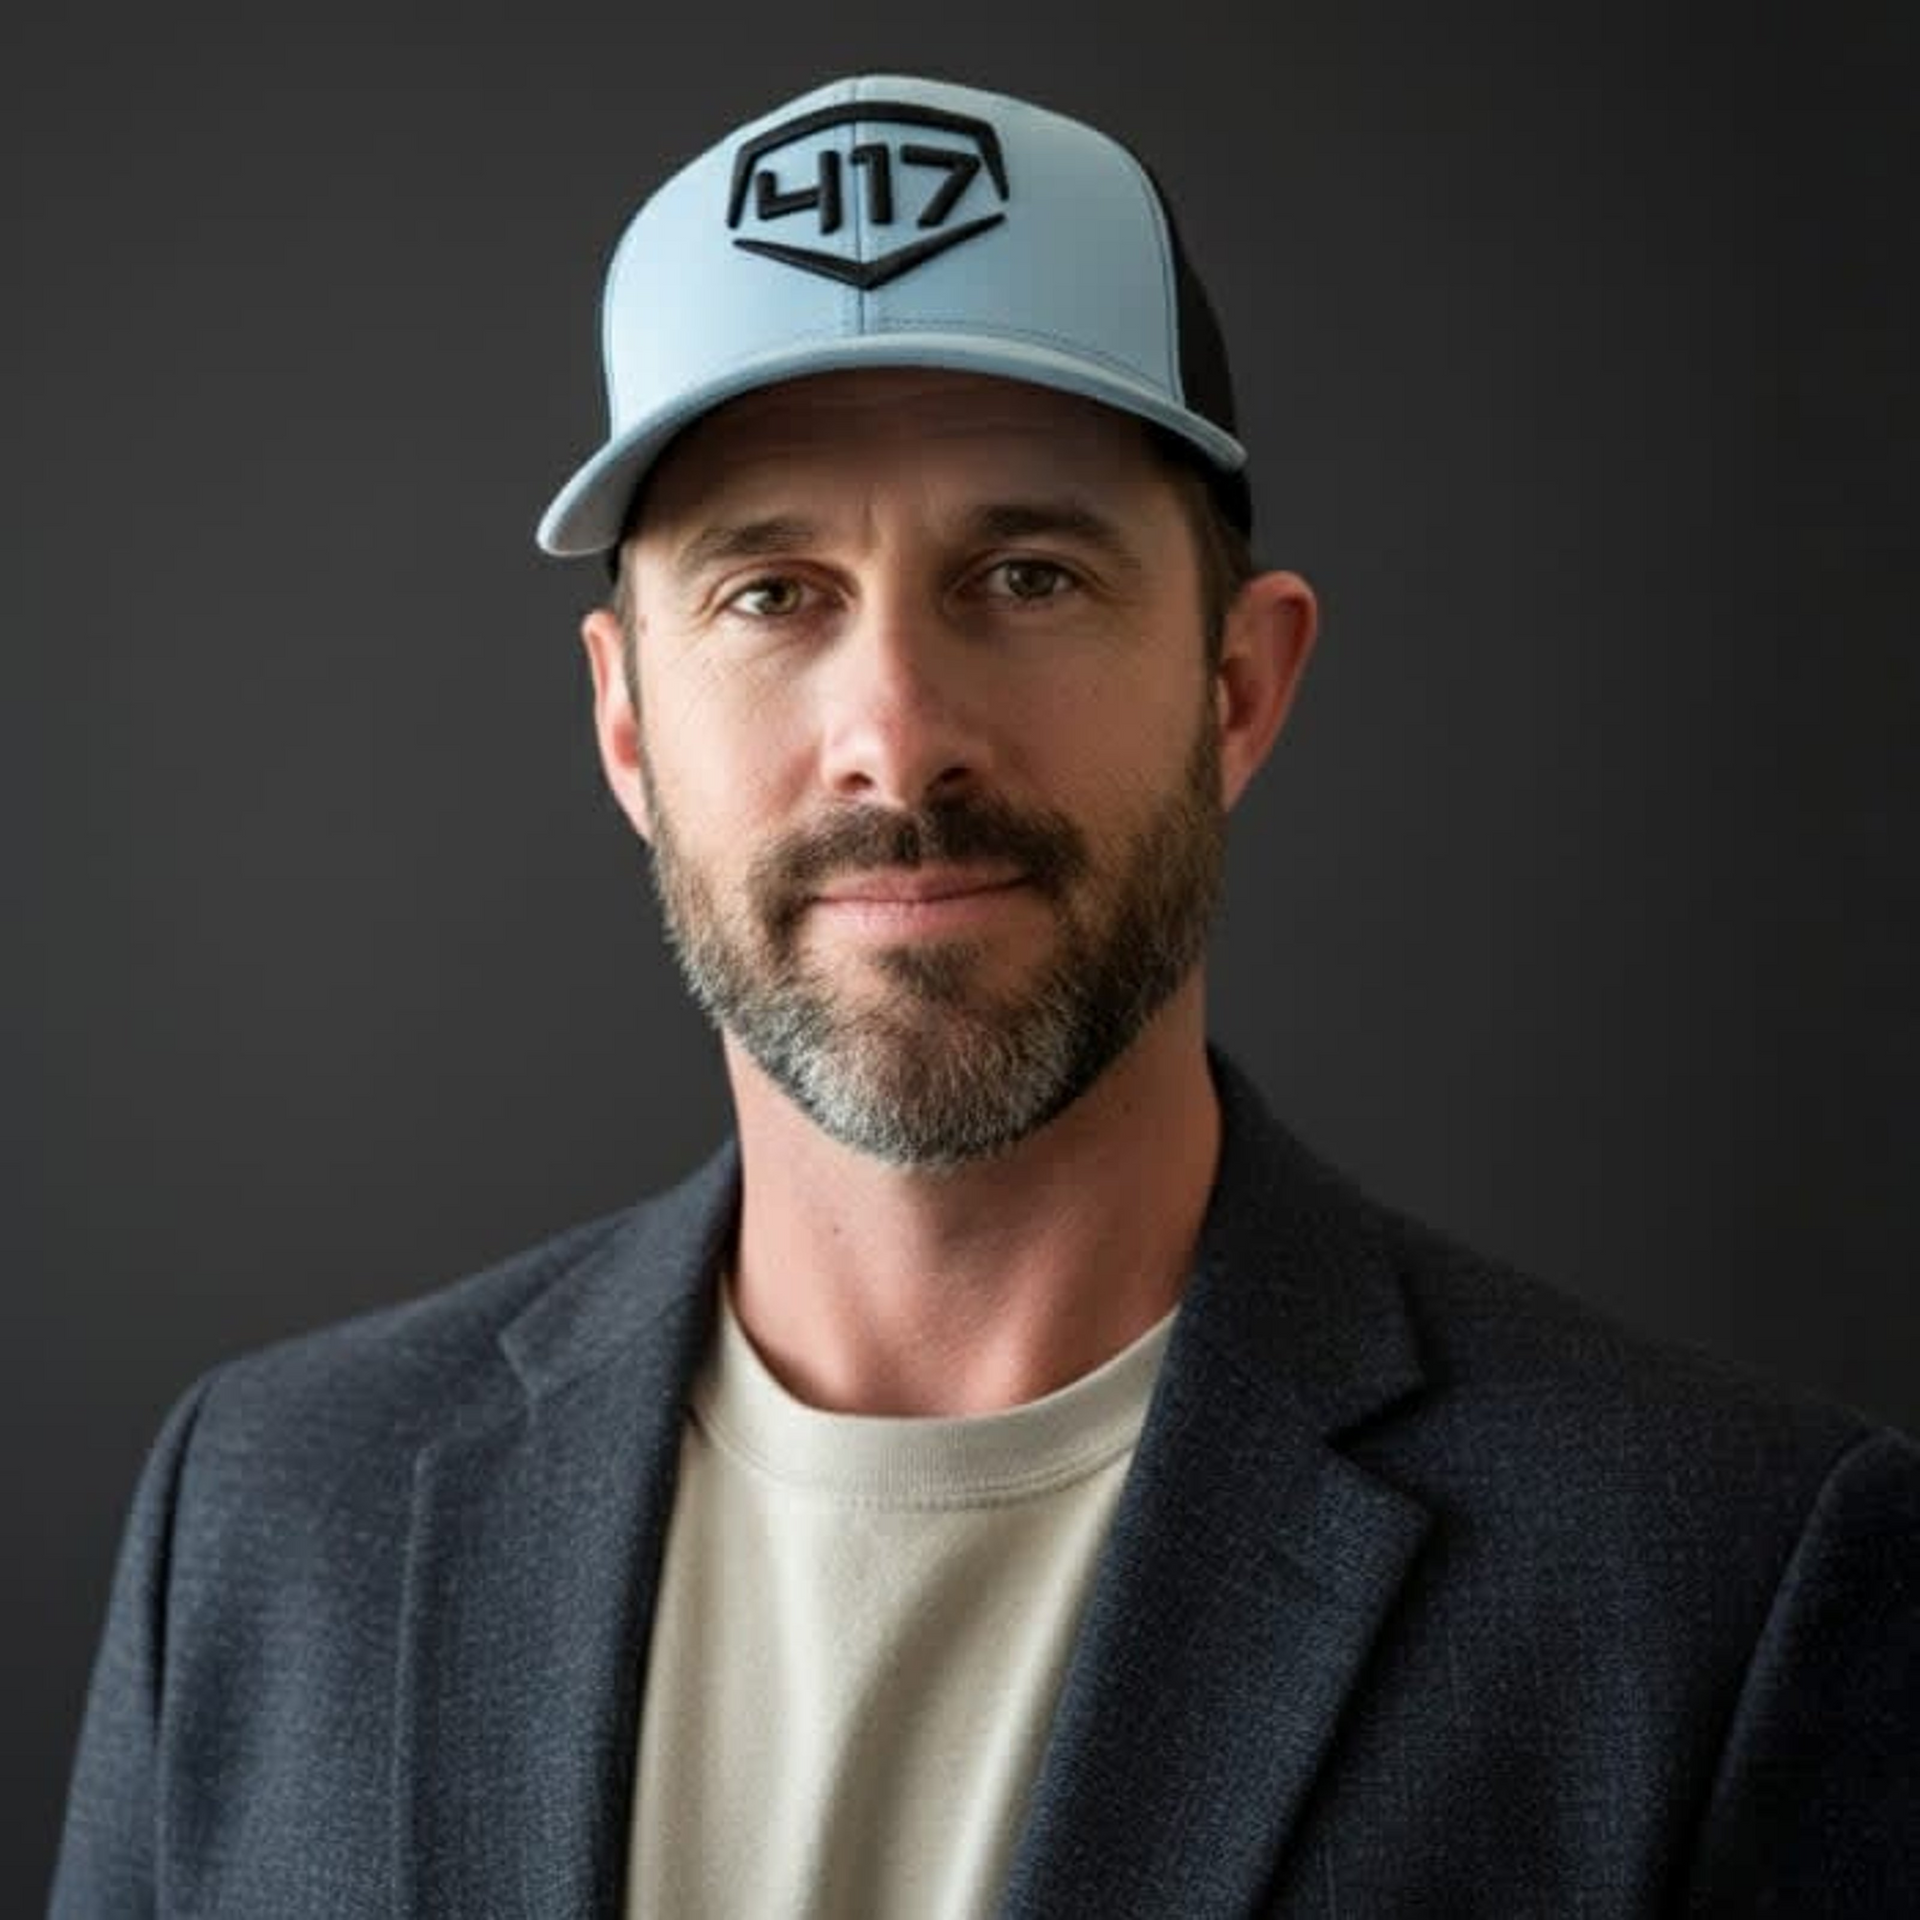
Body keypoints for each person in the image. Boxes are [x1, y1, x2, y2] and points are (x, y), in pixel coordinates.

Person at [51, 73, 1917, 1919]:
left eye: (1027, 574)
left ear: (1238, 685)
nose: (896, 742)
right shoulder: (272, 1518)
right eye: (772, 593)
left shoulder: (1727, 1591)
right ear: (626, 721)